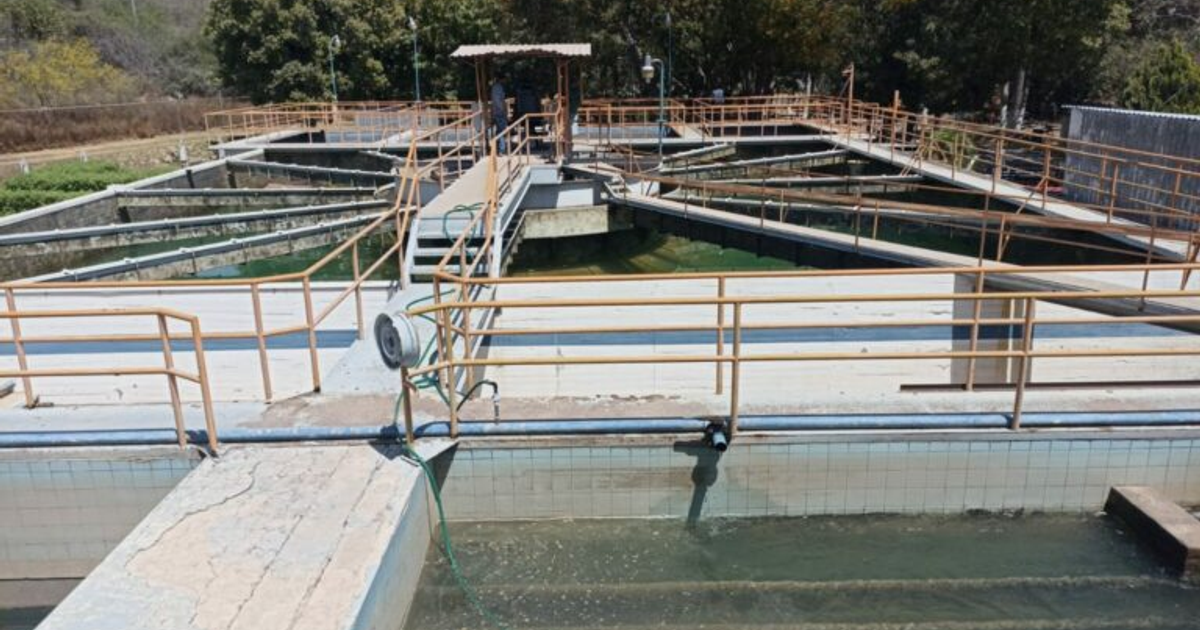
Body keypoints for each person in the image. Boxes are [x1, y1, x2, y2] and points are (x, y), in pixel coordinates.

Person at [490, 77, 509, 151]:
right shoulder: (498, 88)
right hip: (499, 112)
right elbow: (498, 101)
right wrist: (503, 110)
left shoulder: (495, 88)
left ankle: (497, 147)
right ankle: (501, 149)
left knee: (499, 131)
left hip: (497, 112)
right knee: (501, 131)